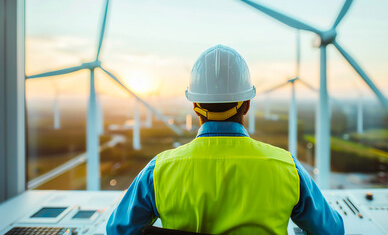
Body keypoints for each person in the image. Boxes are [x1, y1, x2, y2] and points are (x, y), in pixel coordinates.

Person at [106, 45, 344, 234]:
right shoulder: (287, 167)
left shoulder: (158, 171)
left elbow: (117, 230)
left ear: (195, 106)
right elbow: (332, 231)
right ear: (247, 104)